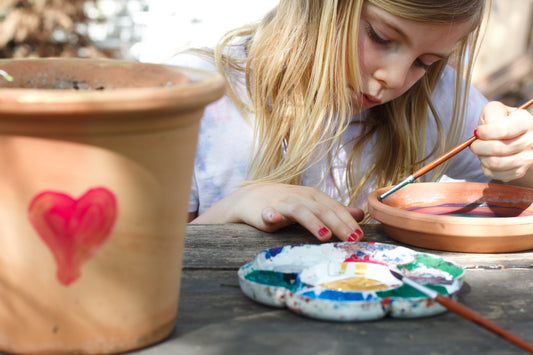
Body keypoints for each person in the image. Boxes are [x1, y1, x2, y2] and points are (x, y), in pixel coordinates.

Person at [168, 0, 533, 243]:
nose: (394, 76)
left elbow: (521, 175)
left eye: (426, 62)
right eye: (381, 37)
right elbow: (138, 268)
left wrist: (519, 156)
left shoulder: (435, 100)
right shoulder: (198, 97)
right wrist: (234, 209)